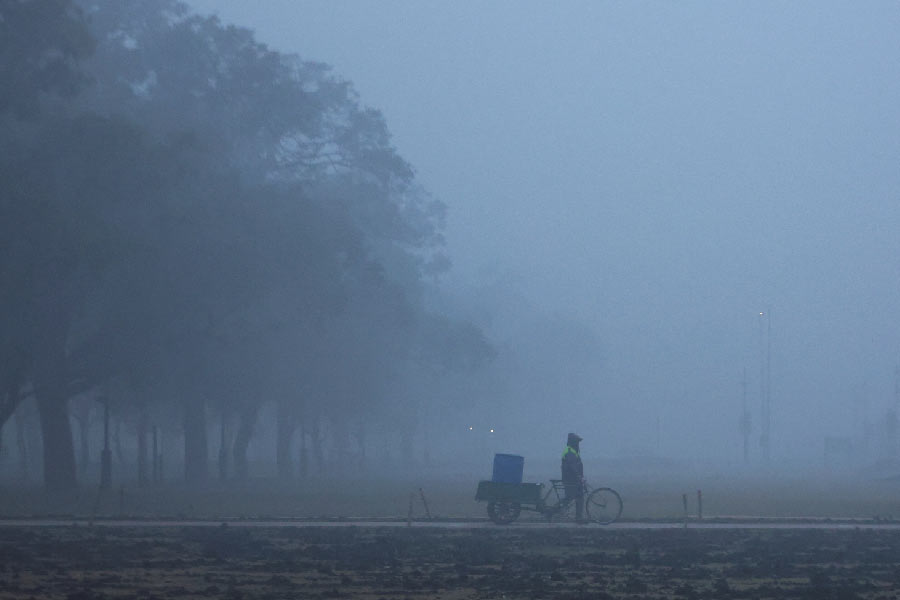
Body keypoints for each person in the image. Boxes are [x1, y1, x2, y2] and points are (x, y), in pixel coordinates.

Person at [561, 432, 586, 522]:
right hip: (571, 479)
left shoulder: (573, 450)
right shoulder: (569, 451)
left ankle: (578, 517)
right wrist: (579, 476)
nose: (578, 443)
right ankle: (578, 518)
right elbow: (572, 466)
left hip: (573, 478)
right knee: (573, 497)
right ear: (573, 442)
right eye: (577, 441)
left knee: (576, 496)